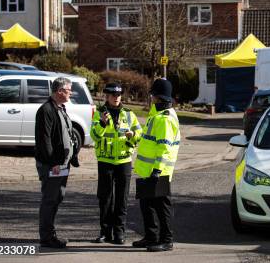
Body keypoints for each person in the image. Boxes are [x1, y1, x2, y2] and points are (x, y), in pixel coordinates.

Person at [132, 78, 180, 252]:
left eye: (153, 95)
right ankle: (151, 237)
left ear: (159, 98)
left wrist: (157, 170)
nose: (151, 97)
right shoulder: (157, 114)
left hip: (158, 171)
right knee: (147, 205)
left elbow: (164, 147)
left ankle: (167, 240)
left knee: (162, 206)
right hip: (148, 170)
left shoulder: (165, 119)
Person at [90, 83, 142, 244]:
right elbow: (94, 136)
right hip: (105, 160)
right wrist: (103, 124)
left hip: (124, 161)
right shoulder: (99, 113)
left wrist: (132, 134)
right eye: (113, 94)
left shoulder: (128, 114)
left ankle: (119, 233)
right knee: (105, 198)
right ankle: (105, 232)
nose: (116, 97)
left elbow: (139, 133)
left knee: (122, 198)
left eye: (119, 94)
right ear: (107, 96)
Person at [34, 77, 79, 249]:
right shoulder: (46, 110)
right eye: (69, 90)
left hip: (62, 164)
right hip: (52, 165)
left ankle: (50, 234)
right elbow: (44, 140)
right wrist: (53, 161)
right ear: (59, 91)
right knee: (50, 199)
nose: (71, 93)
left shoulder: (60, 108)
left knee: (57, 197)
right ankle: (46, 237)